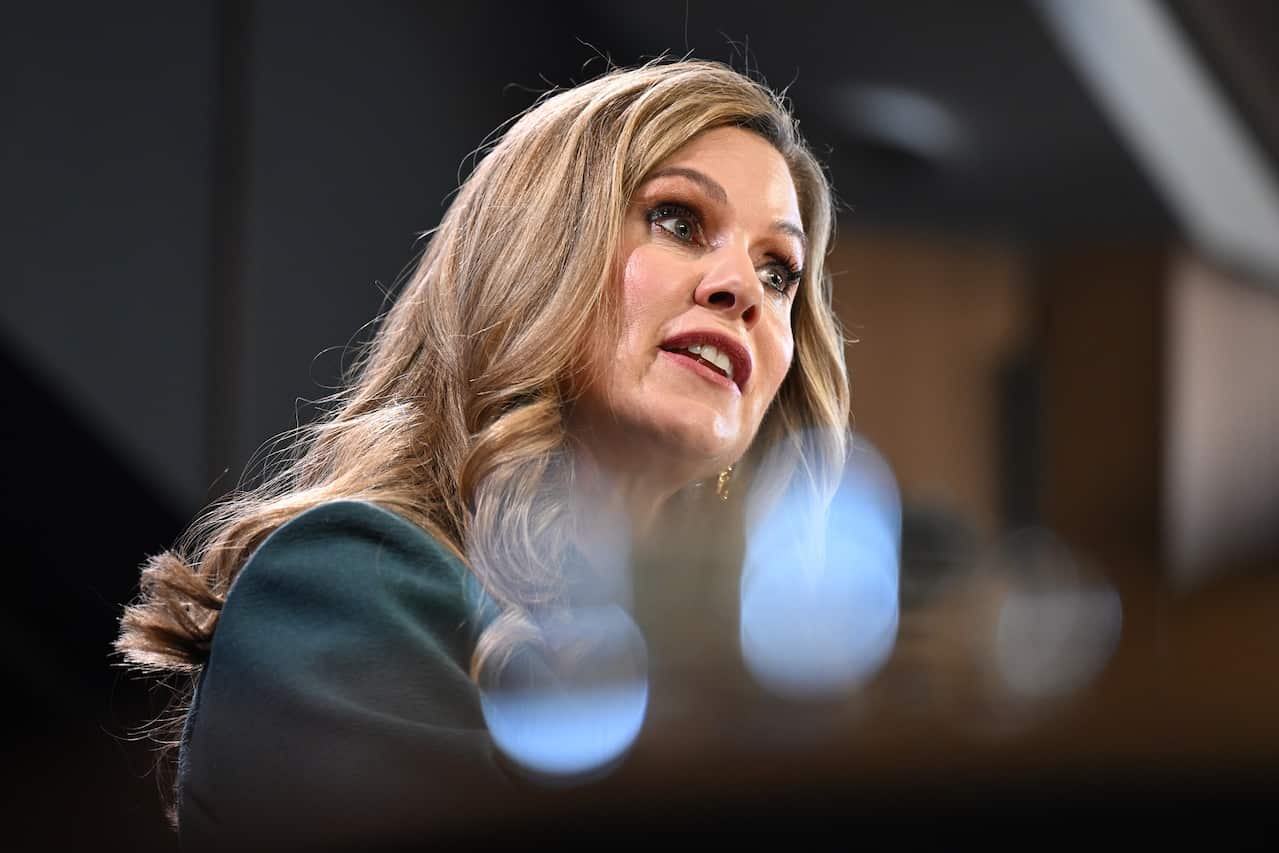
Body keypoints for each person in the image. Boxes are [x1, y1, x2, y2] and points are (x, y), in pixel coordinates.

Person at [116, 58, 851, 850]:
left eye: (780, 271)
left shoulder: (748, 695)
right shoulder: (347, 585)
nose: (743, 285)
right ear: (538, 256)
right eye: (677, 219)